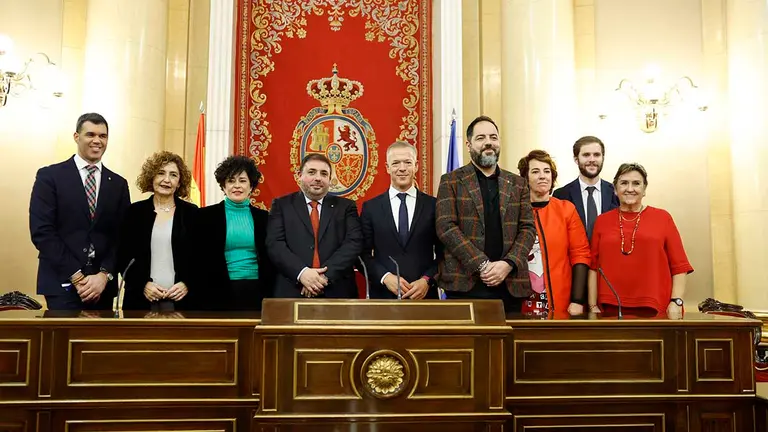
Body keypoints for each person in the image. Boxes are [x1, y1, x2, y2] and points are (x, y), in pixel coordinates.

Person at [29, 113, 131, 310]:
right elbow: (42, 232)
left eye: (103, 136)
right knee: (62, 341)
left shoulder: (118, 184)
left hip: (102, 288)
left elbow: (121, 236)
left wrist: (104, 275)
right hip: (62, 284)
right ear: (77, 137)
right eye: (90, 134)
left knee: (97, 342)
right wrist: (76, 276)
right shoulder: (50, 176)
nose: (97, 141)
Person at [436, 115, 536, 312]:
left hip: (509, 284)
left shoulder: (518, 183)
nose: (488, 142)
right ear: (469, 144)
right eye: (481, 138)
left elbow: (528, 228)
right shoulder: (451, 181)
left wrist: (508, 264)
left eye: (493, 137)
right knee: (467, 343)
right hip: (465, 283)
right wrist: (482, 265)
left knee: (509, 343)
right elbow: (446, 227)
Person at [587, 163, 693, 318]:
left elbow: (679, 266)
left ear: (644, 190)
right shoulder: (602, 221)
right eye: (624, 183)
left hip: (656, 309)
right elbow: (593, 267)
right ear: (615, 189)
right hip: (610, 310)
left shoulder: (663, 218)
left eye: (636, 183)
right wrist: (592, 305)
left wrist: (676, 301)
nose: (630, 189)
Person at [266, 153, 363, 299]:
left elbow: (353, 243)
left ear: (329, 179)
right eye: (311, 172)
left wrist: (322, 278)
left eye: (324, 174)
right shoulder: (281, 205)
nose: (318, 178)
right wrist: (302, 274)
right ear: (300, 175)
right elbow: (275, 244)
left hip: (337, 292)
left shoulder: (346, 207)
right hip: (292, 290)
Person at [117, 151, 198, 311]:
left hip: (182, 301)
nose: (166, 180)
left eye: (173, 175)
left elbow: (201, 257)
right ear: (151, 177)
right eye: (161, 173)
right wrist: (143, 284)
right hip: (141, 299)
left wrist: (187, 284)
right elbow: (123, 255)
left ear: (180, 182)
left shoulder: (192, 213)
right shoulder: (134, 212)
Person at [361, 141, 442, 299]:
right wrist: (385, 277)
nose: (402, 168)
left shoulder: (434, 205)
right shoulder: (371, 207)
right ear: (387, 167)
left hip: (424, 297)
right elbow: (362, 254)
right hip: (383, 297)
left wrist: (427, 280)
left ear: (416, 166)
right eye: (396, 163)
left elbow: (444, 253)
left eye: (407, 162)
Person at [517, 150, 590, 317]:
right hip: (520, 300)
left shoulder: (566, 210)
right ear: (525, 178)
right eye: (535, 171)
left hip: (559, 301)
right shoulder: (514, 210)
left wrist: (577, 300)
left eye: (547, 171)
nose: (543, 176)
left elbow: (581, 254)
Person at [196, 155, 274, 310]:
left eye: (242, 181)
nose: (237, 186)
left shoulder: (265, 219)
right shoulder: (205, 216)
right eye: (231, 181)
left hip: (257, 290)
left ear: (251, 186)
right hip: (218, 289)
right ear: (223, 186)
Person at [553, 136, 619, 239]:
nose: (592, 160)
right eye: (586, 155)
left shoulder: (616, 192)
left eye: (596, 155)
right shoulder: (561, 195)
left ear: (603, 158)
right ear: (576, 159)